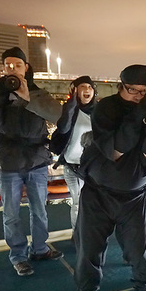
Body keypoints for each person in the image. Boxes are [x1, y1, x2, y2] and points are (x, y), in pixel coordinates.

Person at [66, 64, 146, 291]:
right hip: (98, 192)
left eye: (145, 91)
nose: (139, 97)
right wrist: (139, 117)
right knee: (88, 250)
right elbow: (115, 150)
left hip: (135, 196)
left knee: (140, 252)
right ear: (121, 86)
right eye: (134, 91)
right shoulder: (106, 108)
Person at [0, 47, 63, 277]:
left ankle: (40, 249)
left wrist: (28, 99)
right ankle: (18, 256)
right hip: (9, 162)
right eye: (8, 65)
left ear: (26, 67)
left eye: (17, 65)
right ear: (3, 68)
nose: (13, 69)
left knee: (40, 210)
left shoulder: (39, 93)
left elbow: (58, 115)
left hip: (37, 160)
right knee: (11, 213)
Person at [50, 76, 97, 229]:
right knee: (78, 203)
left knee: (94, 203)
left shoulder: (99, 112)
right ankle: (78, 235)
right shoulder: (71, 110)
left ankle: (91, 234)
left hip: (93, 166)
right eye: (83, 86)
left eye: (90, 87)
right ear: (75, 90)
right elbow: (63, 128)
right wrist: (71, 105)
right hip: (73, 166)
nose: (87, 90)